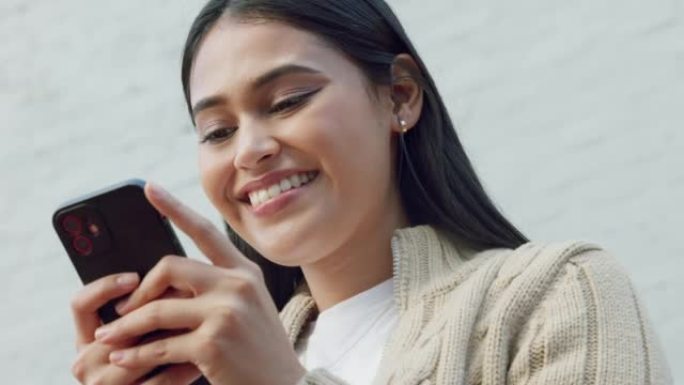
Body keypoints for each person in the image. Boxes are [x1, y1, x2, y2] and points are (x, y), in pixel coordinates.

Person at [69, 0, 673, 384]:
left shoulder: (559, 294)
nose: (249, 150)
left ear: (400, 96)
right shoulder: (210, 367)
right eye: (217, 132)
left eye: (287, 101)